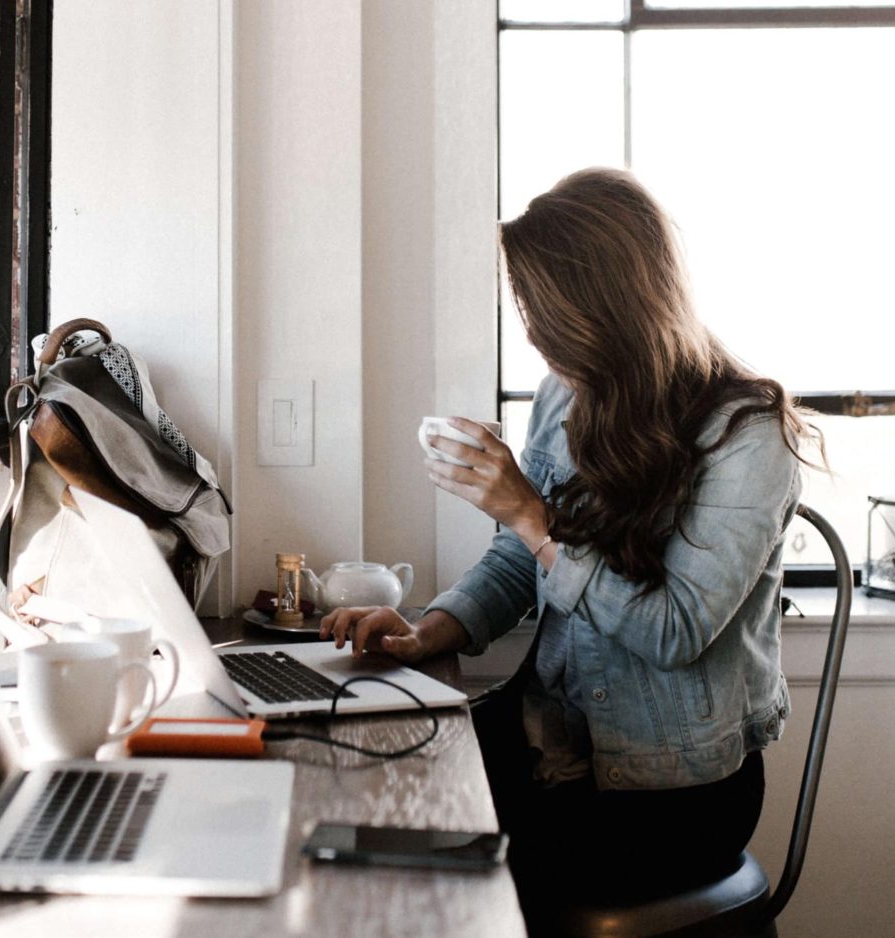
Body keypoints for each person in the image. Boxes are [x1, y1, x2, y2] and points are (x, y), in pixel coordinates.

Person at [319, 167, 823, 929]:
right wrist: (430, 630)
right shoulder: (568, 393)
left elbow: (674, 631)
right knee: (361, 783)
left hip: (673, 792)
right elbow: (519, 561)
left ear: (607, 305)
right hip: (551, 739)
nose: (531, 332)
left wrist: (531, 515)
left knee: (440, 878)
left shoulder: (748, 436)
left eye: (541, 311)